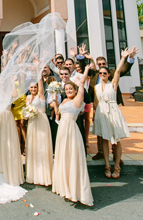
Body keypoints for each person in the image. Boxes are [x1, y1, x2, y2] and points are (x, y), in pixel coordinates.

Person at [52, 76, 93, 206]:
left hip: (71, 129)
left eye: (71, 89)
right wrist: (55, 102)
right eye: (67, 89)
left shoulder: (77, 100)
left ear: (75, 90)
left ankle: (76, 189)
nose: (69, 90)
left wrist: (81, 81)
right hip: (62, 130)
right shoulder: (64, 100)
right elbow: (58, 112)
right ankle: (65, 187)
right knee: (63, 157)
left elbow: (81, 89)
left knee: (73, 157)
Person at [93, 49, 133, 179]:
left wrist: (123, 58)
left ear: (108, 74)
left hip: (113, 110)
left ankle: (116, 165)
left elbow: (117, 71)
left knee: (116, 140)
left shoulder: (113, 84)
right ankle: (107, 165)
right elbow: (96, 101)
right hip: (102, 111)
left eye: (104, 73)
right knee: (104, 139)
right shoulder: (96, 87)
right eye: (100, 73)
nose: (102, 74)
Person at [25, 79, 52, 186]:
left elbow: (40, 83)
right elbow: (26, 109)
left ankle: (43, 175)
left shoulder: (41, 95)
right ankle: (33, 174)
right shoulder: (27, 98)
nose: (33, 89)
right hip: (32, 123)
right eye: (31, 87)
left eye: (35, 87)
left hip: (41, 121)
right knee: (33, 147)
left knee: (42, 146)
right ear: (28, 88)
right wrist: (26, 115)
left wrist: (38, 70)